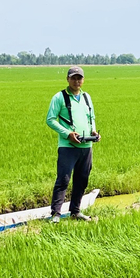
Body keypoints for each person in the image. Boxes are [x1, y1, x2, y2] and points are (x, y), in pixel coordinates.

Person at [46, 66, 101, 222]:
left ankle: (75, 211)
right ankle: (55, 214)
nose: (77, 81)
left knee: (82, 179)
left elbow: (92, 117)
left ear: (83, 79)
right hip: (67, 147)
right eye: (74, 78)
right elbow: (50, 120)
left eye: (79, 78)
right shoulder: (59, 97)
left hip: (86, 147)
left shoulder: (86, 97)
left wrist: (94, 132)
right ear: (67, 79)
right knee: (63, 179)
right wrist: (67, 134)